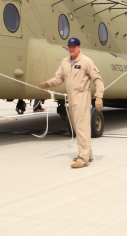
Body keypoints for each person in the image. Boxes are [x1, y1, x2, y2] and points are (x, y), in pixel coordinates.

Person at [40, 38, 105, 168]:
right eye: (69, 46)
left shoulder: (86, 61)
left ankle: (83, 158)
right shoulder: (65, 62)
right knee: (76, 127)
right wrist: (48, 84)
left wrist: (99, 96)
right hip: (71, 98)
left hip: (82, 97)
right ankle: (88, 154)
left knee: (82, 127)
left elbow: (97, 79)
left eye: (74, 46)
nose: (71, 48)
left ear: (79, 47)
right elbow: (59, 78)